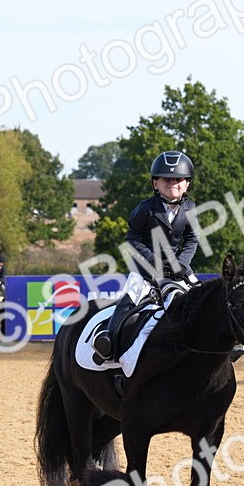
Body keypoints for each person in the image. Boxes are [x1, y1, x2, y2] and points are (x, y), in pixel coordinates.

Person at [92, 150, 199, 361]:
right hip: (146, 272)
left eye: (178, 179)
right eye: (166, 179)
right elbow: (132, 239)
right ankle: (108, 341)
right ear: (155, 183)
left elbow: (192, 241)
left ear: (187, 184)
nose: (173, 183)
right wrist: (153, 261)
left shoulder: (191, 209)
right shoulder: (145, 208)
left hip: (178, 271)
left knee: (203, 298)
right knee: (129, 300)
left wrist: (181, 264)